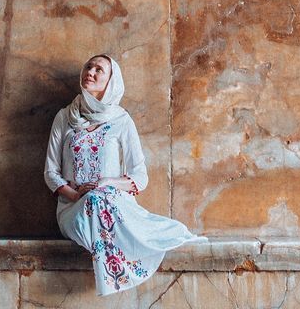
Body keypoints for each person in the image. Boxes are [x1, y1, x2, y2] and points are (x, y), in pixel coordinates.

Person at [43, 53, 201, 296]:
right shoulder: (65, 117)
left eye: (99, 70)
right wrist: (75, 195)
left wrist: (108, 182)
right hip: (72, 209)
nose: (91, 72)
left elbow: (140, 176)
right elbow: (51, 171)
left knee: (100, 196)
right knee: (94, 200)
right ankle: (113, 277)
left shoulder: (121, 120)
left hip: (113, 201)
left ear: (111, 82)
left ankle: (139, 248)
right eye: (89, 67)